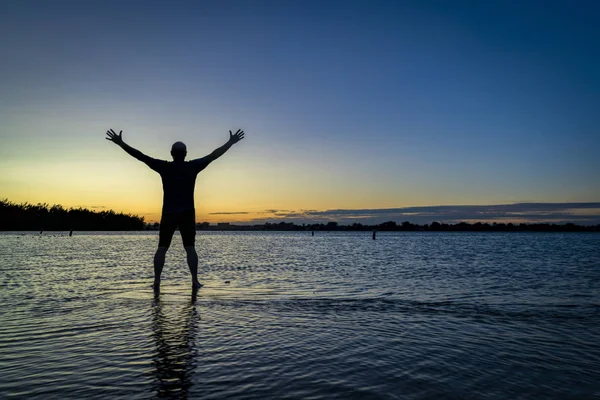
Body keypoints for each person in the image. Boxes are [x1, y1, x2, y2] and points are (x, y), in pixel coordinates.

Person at [105, 128, 245, 290]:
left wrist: (121, 143)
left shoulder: (164, 167)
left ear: (171, 153)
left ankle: (157, 281)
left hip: (169, 213)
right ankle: (194, 281)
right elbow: (214, 155)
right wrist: (230, 142)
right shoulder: (193, 166)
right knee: (190, 248)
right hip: (187, 212)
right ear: (185, 153)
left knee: (162, 248)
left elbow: (141, 156)